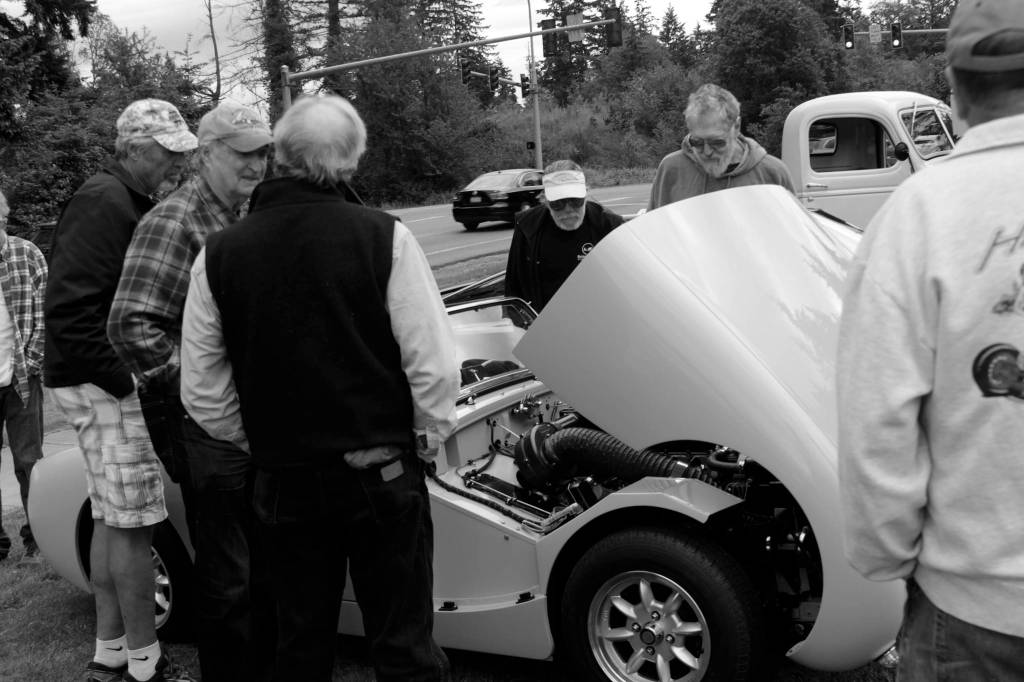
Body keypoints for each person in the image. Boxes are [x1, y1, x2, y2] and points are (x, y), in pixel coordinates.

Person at [180, 94, 459, 682]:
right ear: (351, 161)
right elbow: (431, 365)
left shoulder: (220, 253)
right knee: (404, 645)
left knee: (298, 646)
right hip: (379, 472)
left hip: (283, 483)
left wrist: (261, 444)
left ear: (279, 155)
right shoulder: (384, 238)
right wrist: (426, 434)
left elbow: (202, 389)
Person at [837, 1, 1024, 679]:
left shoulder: (915, 216)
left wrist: (891, 562)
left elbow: (875, 428)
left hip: (974, 616)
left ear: (954, 89)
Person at [108, 101, 274, 682]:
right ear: (206, 155)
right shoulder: (175, 221)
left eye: (263, 153)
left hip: (249, 419)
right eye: (242, 154)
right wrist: (204, 384)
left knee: (264, 559)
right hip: (202, 425)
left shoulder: (246, 213)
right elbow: (130, 323)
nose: (256, 165)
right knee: (228, 573)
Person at [44, 99, 197, 682]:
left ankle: (110, 650)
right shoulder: (104, 202)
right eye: (167, 153)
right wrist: (129, 380)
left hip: (91, 377)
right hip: (101, 381)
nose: (175, 165)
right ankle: (145, 663)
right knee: (135, 525)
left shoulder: (120, 199)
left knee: (112, 519)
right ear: (135, 149)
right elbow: (72, 313)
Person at [647, 83, 794, 210]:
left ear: (736, 127)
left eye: (717, 142)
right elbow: (654, 232)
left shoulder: (772, 172)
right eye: (697, 142)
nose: (707, 152)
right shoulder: (671, 169)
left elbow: (794, 236)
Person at [504, 160, 624, 312]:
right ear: (546, 202)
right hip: (547, 322)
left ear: (586, 196)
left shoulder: (609, 225)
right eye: (558, 203)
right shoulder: (528, 226)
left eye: (575, 201)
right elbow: (513, 285)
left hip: (600, 316)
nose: (568, 210)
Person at [0, 189, 47, 564]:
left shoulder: (27, 253)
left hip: (22, 379)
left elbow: (46, 312)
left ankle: (39, 537)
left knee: (29, 461)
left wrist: (32, 362)